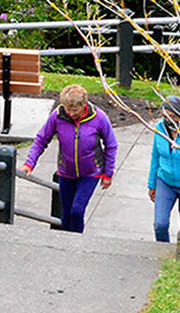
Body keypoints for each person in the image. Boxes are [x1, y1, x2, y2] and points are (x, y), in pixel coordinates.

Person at [22, 84, 116, 234]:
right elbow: (41, 139)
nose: (71, 113)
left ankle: (77, 243)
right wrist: (30, 163)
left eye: (75, 110)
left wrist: (108, 173)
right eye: (68, 109)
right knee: (65, 215)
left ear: (83, 105)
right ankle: (66, 245)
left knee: (77, 211)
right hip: (66, 172)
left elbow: (111, 145)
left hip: (91, 173)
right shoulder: (58, 116)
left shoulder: (99, 117)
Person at [147, 96, 180, 243]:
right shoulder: (159, 128)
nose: (168, 120)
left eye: (172, 116)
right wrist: (152, 185)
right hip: (165, 181)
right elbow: (155, 157)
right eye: (165, 116)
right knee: (160, 224)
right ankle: (163, 252)